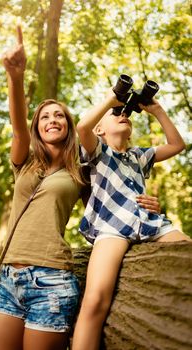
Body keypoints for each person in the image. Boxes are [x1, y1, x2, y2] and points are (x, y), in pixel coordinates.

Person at [0, 26, 162, 350]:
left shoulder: (80, 171)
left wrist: (150, 207)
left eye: (59, 116)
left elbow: (111, 203)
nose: (52, 119)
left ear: (67, 126)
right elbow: (17, 125)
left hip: (53, 280)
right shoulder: (24, 161)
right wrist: (15, 75)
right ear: (38, 128)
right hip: (10, 279)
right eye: (44, 117)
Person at [72, 87, 191, 350]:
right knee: (95, 301)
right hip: (112, 227)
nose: (122, 114)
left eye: (125, 112)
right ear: (100, 130)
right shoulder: (98, 151)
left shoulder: (138, 156)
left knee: (187, 249)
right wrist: (111, 99)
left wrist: (156, 109)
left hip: (150, 223)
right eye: (115, 113)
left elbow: (177, 145)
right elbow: (82, 127)